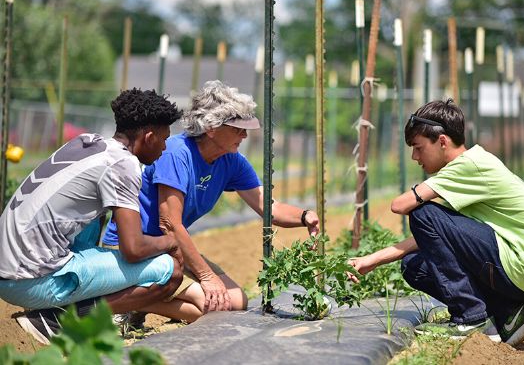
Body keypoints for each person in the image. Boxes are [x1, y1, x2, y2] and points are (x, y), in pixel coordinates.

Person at [102, 80, 320, 324]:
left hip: (170, 248)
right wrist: (206, 276)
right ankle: (127, 302)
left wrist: (305, 216)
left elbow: (270, 208)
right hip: (136, 248)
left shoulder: (232, 160)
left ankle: (142, 300)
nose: (245, 135)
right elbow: (169, 223)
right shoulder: (175, 153)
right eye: (238, 128)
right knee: (213, 307)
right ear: (212, 127)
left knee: (235, 301)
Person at [348, 99, 524, 346]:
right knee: (414, 266)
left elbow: (400, 206)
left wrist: (420, 192)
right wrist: (370, 260)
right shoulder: (471, 165)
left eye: (418, 147)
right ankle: (509, 313)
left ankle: (470, 318)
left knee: (422, 213)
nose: (415, 157)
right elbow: (433, 236)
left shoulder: (468, 166)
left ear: (442, 141)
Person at [0, 88, 184, 344]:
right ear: (149, 137)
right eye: (164, 139)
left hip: (9, 268)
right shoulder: (124, 165)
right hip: (28, 281)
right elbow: (133, 249)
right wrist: (171, 242)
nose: (165, 147)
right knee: (172, 271)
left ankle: (64, 304)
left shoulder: (89, 143)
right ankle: (59, 320)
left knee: (98, 212)